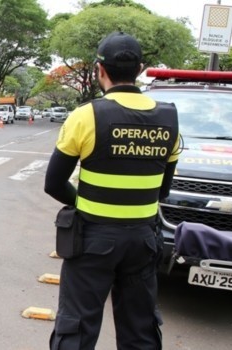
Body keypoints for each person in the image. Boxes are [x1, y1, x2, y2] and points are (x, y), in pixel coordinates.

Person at [44, 31, 181, 350]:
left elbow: (53, 183)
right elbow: (162, 191)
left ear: (99, 70)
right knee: (140, 330)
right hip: (143, 241)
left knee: (77, 327)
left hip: (92, 239)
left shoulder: (86, 116)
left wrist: (86, 201)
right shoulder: (170, 119)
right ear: (141, 69)